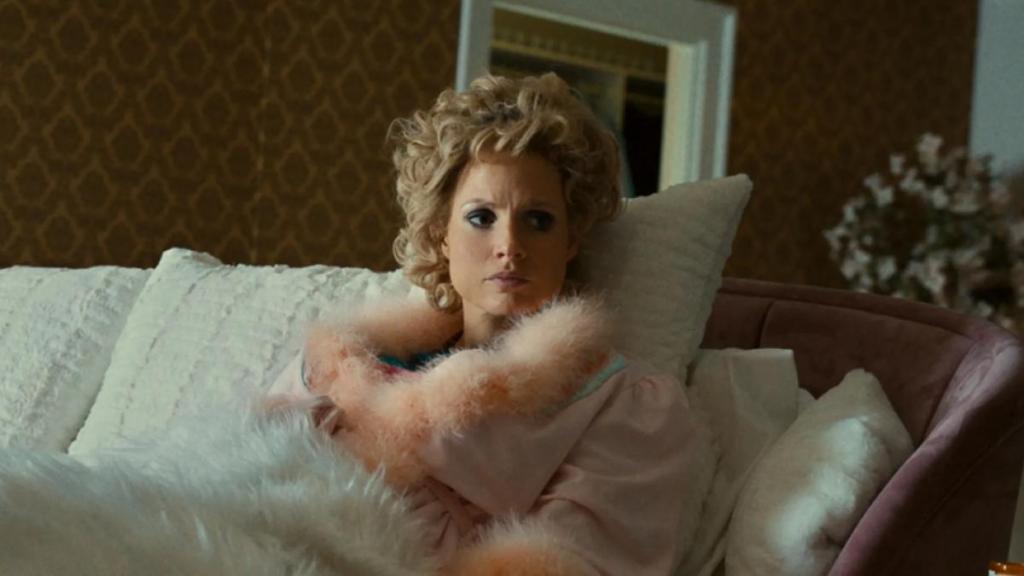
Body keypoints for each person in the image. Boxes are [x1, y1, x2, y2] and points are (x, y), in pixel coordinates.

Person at [265, 73, 707, 575]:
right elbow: (247, 462)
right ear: (442, 234)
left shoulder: (621, 402)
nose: (510, 245)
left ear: (570, 242)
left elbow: (582, 559)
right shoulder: (341, 359)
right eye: (481, 218)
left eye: (538, 220)